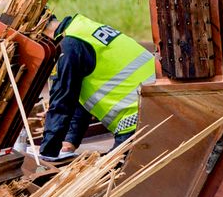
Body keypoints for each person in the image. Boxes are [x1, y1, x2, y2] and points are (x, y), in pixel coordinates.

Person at [38, 14, 156, 162]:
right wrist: (70, 140)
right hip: (156, 105)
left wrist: (48, 152)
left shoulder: (68, 46)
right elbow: (77, 94)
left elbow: (63, 101)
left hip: (138, 118)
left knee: (113, 176)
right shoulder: (81, 29)